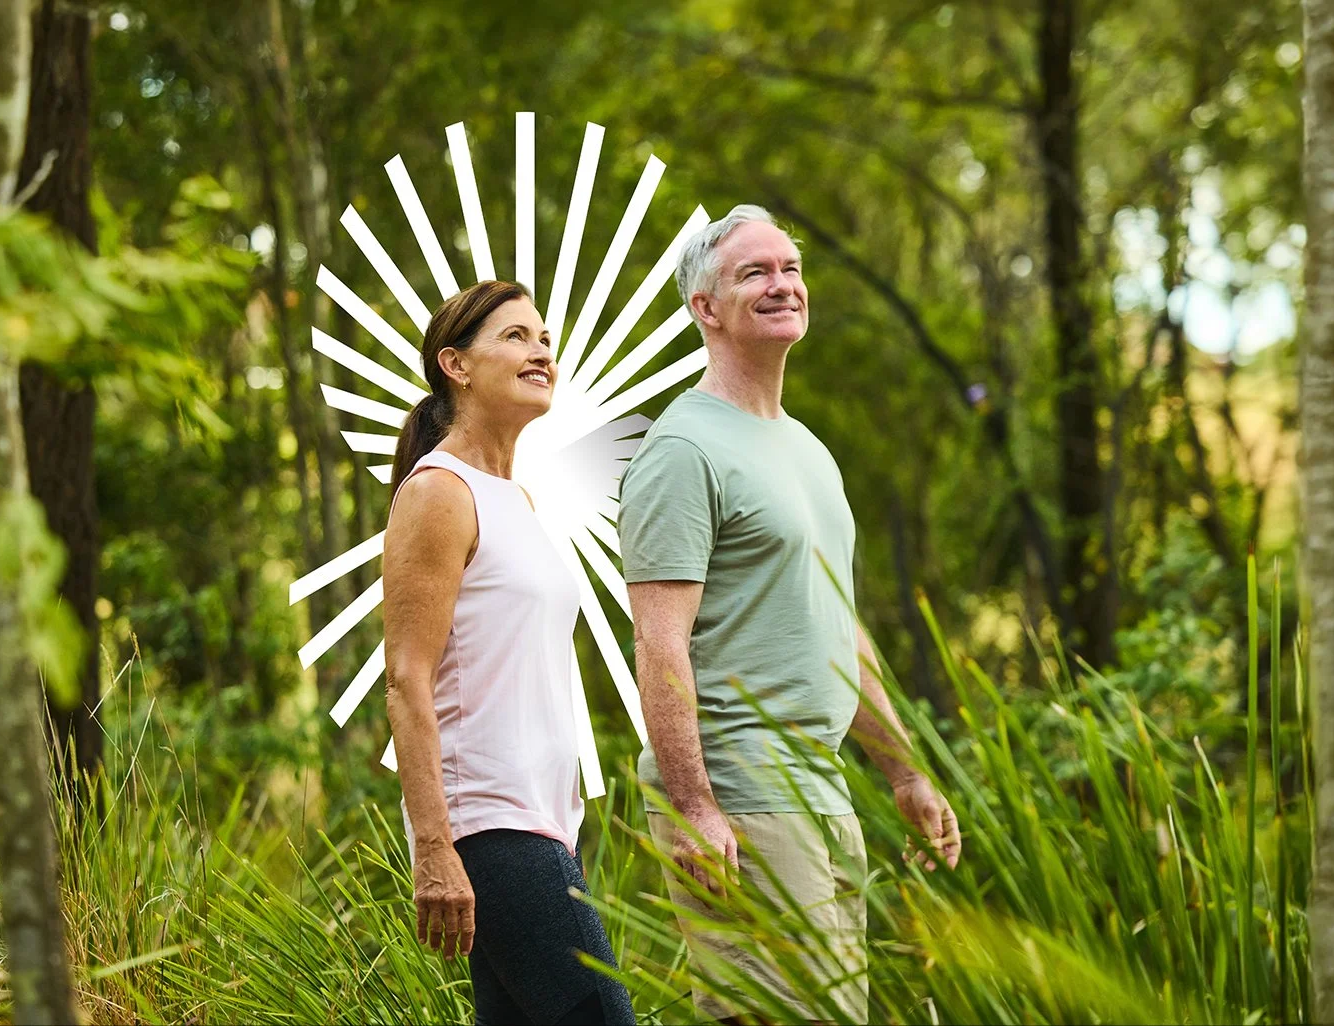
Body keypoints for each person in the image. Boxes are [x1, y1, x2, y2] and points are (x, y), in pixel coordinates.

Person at [618, 205, 963, 1024]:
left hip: (821, 788)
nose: (783, 285)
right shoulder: (682, 451)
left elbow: (838, 628)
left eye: (791, 269)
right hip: (742, 784)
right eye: (755, 272)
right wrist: (697, 806)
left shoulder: (807, 450)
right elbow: (659, 645)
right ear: (705, 308)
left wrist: (904, 770)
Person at [383, 279, 637, 1026]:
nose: (541, 352)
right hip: (490, 827)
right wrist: (435, 847)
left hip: (542, 822)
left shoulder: (516, 501)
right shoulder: (438, 492)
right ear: (455, 365)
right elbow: (406, 680)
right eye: (517, 337)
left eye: (546, 339)